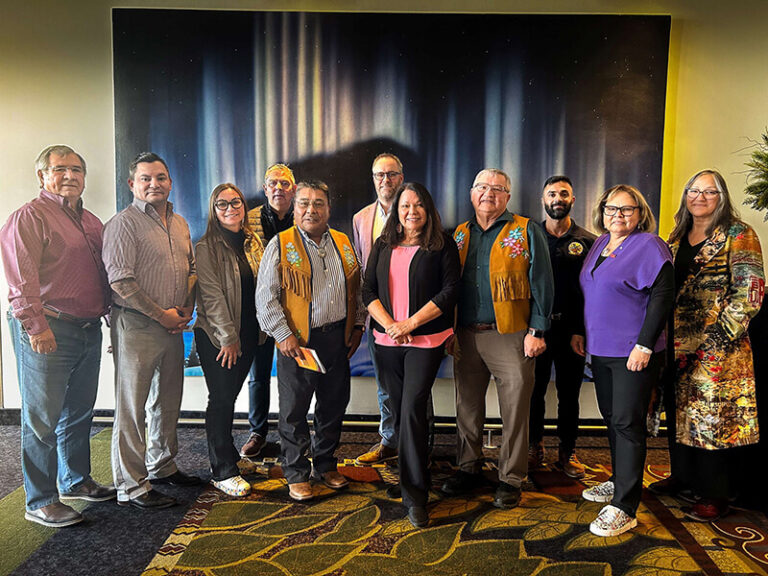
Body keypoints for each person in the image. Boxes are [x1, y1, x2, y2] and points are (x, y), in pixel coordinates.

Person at [0, 145, 115, 527]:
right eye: (60, 168)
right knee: (42, 419)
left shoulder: (93, 222)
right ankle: (41, 499)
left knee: (79, 412)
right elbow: (20, 280)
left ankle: (76, 480)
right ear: (42, 176)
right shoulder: (29, 217)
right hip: (48, 328)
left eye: (77, 169)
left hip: (88, 328)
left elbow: (104, 277)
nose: (70, 175)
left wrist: (112, 322)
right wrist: (37, 327)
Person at [650, 170, 764, 521]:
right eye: (693, 190)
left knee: (713, 420)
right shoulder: (675, 236)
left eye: (709, 191)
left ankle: (714, 493)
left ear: (722, 197)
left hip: (719, 349)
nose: (699, 197)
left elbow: (750, 292)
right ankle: (682, 476)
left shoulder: (738, 234)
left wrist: (717, 339)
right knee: (680, 412)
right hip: (676, 344)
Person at [441, 168, 554, 510]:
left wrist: (537, 330)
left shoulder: (525, 229)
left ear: (507, 196)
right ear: (471, 193)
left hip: (512, 335)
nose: (489, 193)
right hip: (466, 334)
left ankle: (511, 478)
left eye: (497, 188)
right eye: (482, 187)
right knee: (467, 407)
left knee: (515, 410)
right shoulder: (458, 234)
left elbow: (543, 283)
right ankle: (467, 467)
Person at [256, 180, 365, 501]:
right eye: (304, 203)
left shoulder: (344, 243)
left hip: (337, 339)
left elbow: (356, 291)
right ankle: (296, 472)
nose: (311, 209)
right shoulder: (280, 243)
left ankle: (326, 464)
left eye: (319, 203)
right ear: (295, 208)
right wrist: (283, 334)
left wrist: (357, 327)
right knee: (294, 410)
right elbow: (266, 297)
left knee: (333, 405)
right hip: (298, 342)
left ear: (328, 209)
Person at [103, 152, 200, 510]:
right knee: (133, 407)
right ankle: (131, 485)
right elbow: (121, 283)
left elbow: (191, 269)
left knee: (167, 401)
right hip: (137, 325)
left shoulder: (179, 223)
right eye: (145, 179)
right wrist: (163, 315)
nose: (154, 184)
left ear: (170, 182)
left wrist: (186, 308)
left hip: (173, 325)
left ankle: (162, 465)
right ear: (132, 184)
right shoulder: (123, 224)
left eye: (160, 177)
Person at [577, 184, 673, 537]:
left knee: (628, 423)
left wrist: (645, 345)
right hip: (602, 349)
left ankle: (625, 506)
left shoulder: (649, 244)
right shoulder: (601, 243)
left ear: (640, 213)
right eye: (611, 208)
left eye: (626, 209)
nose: (617, 215)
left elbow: (663, 296)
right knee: (612, 418)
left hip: (634, 351)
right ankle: (619, 481)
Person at [363, 183, 460, 527]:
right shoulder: (384, 243)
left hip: (426, 341)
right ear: (396, 209)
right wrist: (391, 324)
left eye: (418, 205)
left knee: (413, 408)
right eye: (405, 205)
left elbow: (450, 291)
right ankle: (408, 480)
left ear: (428, 208)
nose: (411, 211)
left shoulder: (441, 244)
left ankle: (416, 496)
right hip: (387, 341)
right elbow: (367, 290)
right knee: (400, 411)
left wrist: (410, 324)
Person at [195, 183, 265, 497]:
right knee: (221, 399)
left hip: (249, 334)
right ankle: (222, 469)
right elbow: (210, 296)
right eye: (222, 204)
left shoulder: (252, 242)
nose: (230, 208)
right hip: (219, 338)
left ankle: (230, 456)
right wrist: (228, 338)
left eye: (235, 202)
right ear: (214, 210)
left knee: (230, 396)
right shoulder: (206, 246)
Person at [529, 176, 596, 478]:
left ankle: (567, 452)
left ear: (573, 200)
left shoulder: (588, 241)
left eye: (564, 194)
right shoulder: (529, 235)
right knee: (533, 392)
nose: (558, 198)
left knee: (569, 395)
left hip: (572, 333)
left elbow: (591, 292)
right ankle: (534, 447)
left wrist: (581, 329)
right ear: (543, 199)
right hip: (536, 330)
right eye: (552, 194)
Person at [241, 163, 297, 459]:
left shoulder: (304, 215)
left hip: (297, 310)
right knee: (259, 374)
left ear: (294, 189)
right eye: (273, 183)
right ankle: (257, 432)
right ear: (265, 189)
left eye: (285, 183)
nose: (279, 188)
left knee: (295, 376)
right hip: (261, 310)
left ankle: (293, 432)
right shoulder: (247, 220)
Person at [353, 153, 404, 465]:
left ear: (402, 177)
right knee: (385, 384)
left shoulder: (417, 213)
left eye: (392, 174)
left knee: (415, 386)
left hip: (413, 318)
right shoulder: (361, 219)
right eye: (379, 175)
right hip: (378, 318)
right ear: (373, 179)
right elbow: (361, 272)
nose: (386, 181)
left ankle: (417, 445)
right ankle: (389, 440)